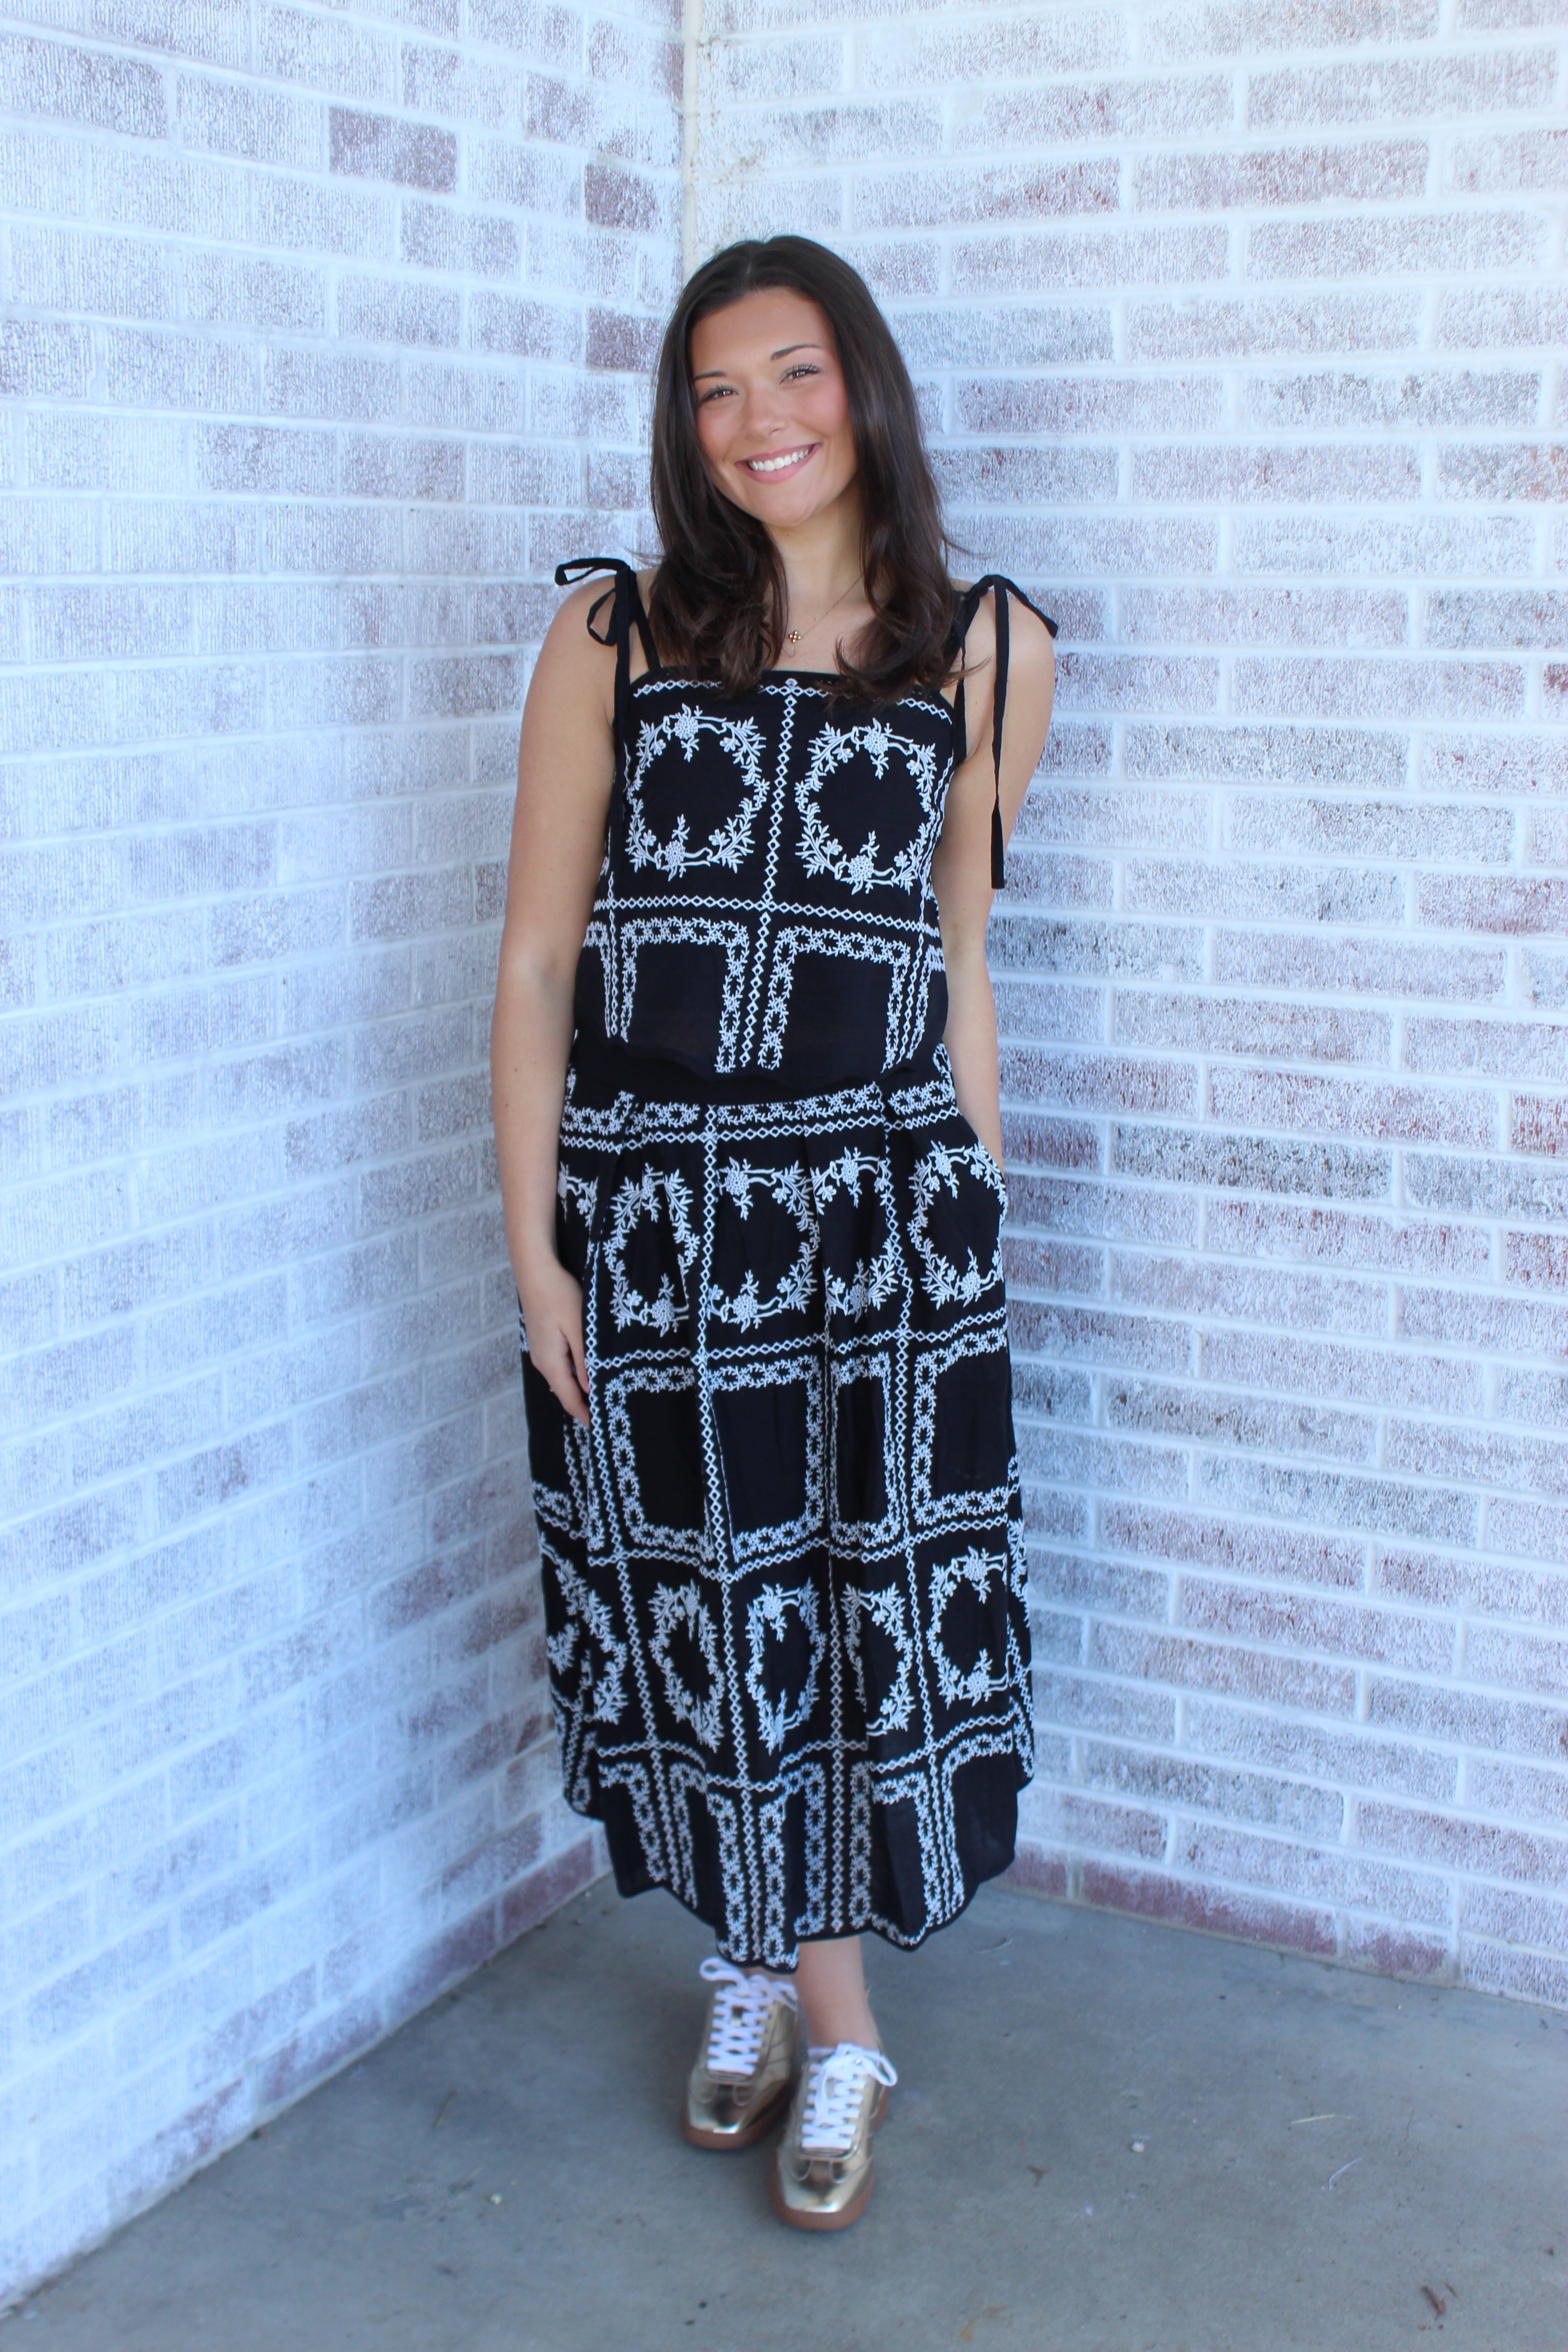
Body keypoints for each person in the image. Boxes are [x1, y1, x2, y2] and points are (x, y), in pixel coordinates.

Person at [491, 235, 1056, 2232]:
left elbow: (954, 957)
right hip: (658, 1219)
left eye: (796, 372)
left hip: (883, 1222)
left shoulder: (991, 649)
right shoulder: (615, 635)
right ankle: (820, 2009)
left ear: (865, 383)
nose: (760, 423)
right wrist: (538, 1255)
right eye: (716, 391)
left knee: (835, 1626)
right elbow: (540, 961)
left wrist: (977, 1216)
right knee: (702, 1613)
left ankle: (800, 1996)